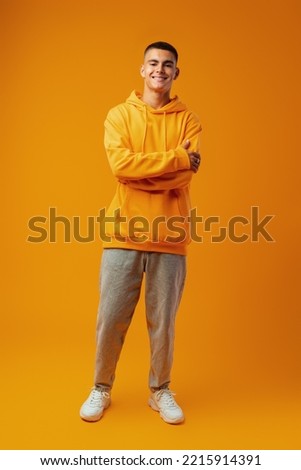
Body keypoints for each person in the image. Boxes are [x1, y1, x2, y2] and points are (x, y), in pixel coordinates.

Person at [80, 41, 202, 425]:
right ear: (142, 69)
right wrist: (175, 159)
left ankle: (160, 390)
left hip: (171, 235)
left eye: (168, 65)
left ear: (175, 73)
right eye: (153, 63)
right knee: (111, 318)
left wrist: (148, 171)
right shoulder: (118, 116)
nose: (160, 70)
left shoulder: (189, 121)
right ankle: (101, 388)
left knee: (163, 322)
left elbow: (184, 174)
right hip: (123, 234)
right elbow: (121, 166)